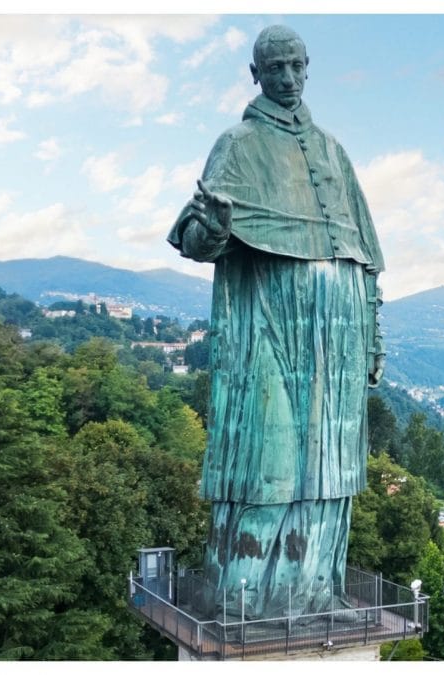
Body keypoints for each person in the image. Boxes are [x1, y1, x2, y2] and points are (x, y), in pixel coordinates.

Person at [167, 25, 385, 621]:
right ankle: (246, 597)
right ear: (254, 73)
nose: (286, 78)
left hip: (336, 335)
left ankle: (318, 591)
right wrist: (210, 227)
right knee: (270, 461)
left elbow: (365, 257)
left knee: (330, 467)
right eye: (274, 68)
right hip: (267, 324)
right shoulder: (236, 144)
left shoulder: (334, 151)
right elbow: (192, 237)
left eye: (295, 66)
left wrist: (371, 337)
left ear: (308, 66)